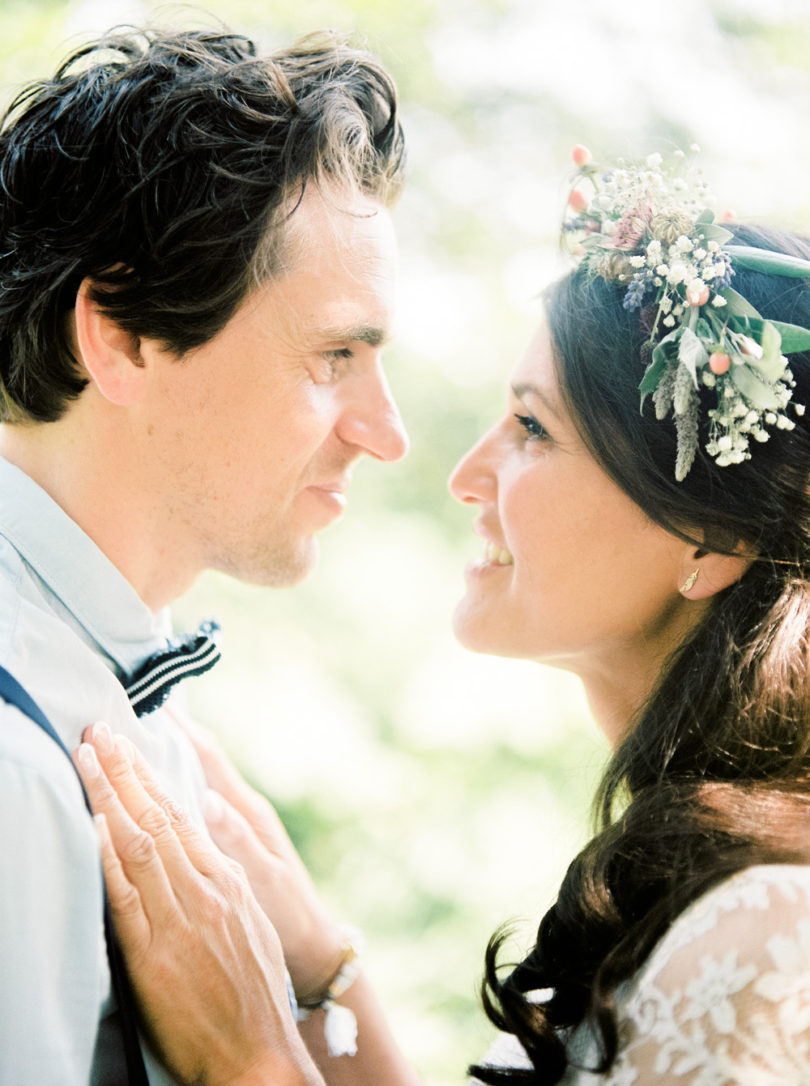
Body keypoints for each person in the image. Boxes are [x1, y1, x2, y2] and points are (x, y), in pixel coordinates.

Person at [75, 148, 810, 1084]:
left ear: (705, 533)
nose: (466, 474)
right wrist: (322, 970)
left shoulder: (772, 935)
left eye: (533, 429)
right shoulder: (685, 869)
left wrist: (246, 1057)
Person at [0, 23, 411, 1085]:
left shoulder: (138, 696)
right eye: (335, 356)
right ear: (125, 339)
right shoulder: (13, 772)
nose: (387, 431)